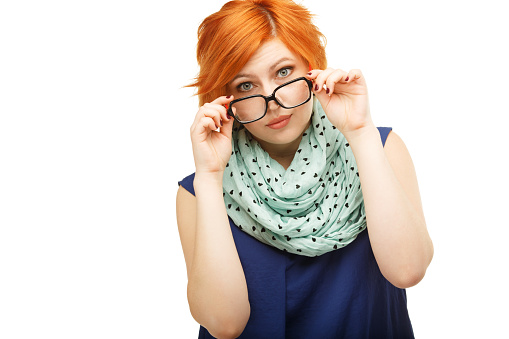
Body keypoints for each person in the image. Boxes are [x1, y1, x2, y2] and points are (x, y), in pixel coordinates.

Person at [176, 0, 434, 338]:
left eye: (283, 72)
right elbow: (224, 323)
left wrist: (359, 132)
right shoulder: (198, 191)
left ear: (311, 69)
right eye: (245, 86)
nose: (273, 100)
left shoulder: (380, 147)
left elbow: (408, 270)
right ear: (224, 100)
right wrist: (209, 177)